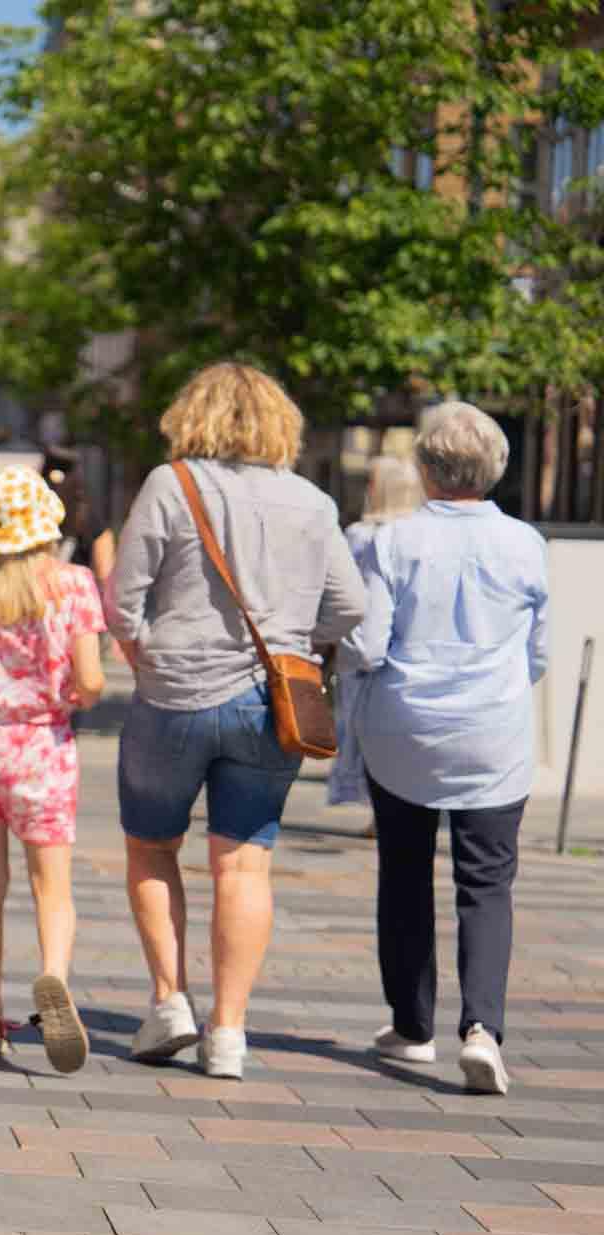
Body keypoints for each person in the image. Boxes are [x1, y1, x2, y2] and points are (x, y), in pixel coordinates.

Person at [108, 363, 364, 1080]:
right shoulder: (313, 502)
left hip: (173, 695)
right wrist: (292, 641)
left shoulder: (172, 484)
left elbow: (122, 597)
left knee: (152, 846)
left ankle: (169, 1001)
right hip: (269, 706)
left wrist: (143, 651)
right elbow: (351, 607)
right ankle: (229, 1032)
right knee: (245, 862)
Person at [340, 402, 548, 1096]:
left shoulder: (392, 543)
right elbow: (539, 653)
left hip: (406, 731)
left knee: (403, 874)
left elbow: (368, 645)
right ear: (496, 469)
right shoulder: (526, 544)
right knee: (486, 883)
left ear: (426, 468)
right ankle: (483, 1028)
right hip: (494, 734)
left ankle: (412, 1023)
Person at [0, 466, 107, 1073]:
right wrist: (76, 696)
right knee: (50, 886)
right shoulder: (75, 585)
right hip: (43, 748)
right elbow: (89, 679)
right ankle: (53, 979)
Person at [327, 455, 425, 829]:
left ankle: (376, 809)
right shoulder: (420, 535)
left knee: (361, 730)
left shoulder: (360, 535)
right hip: (409, 645)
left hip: (364, 647)